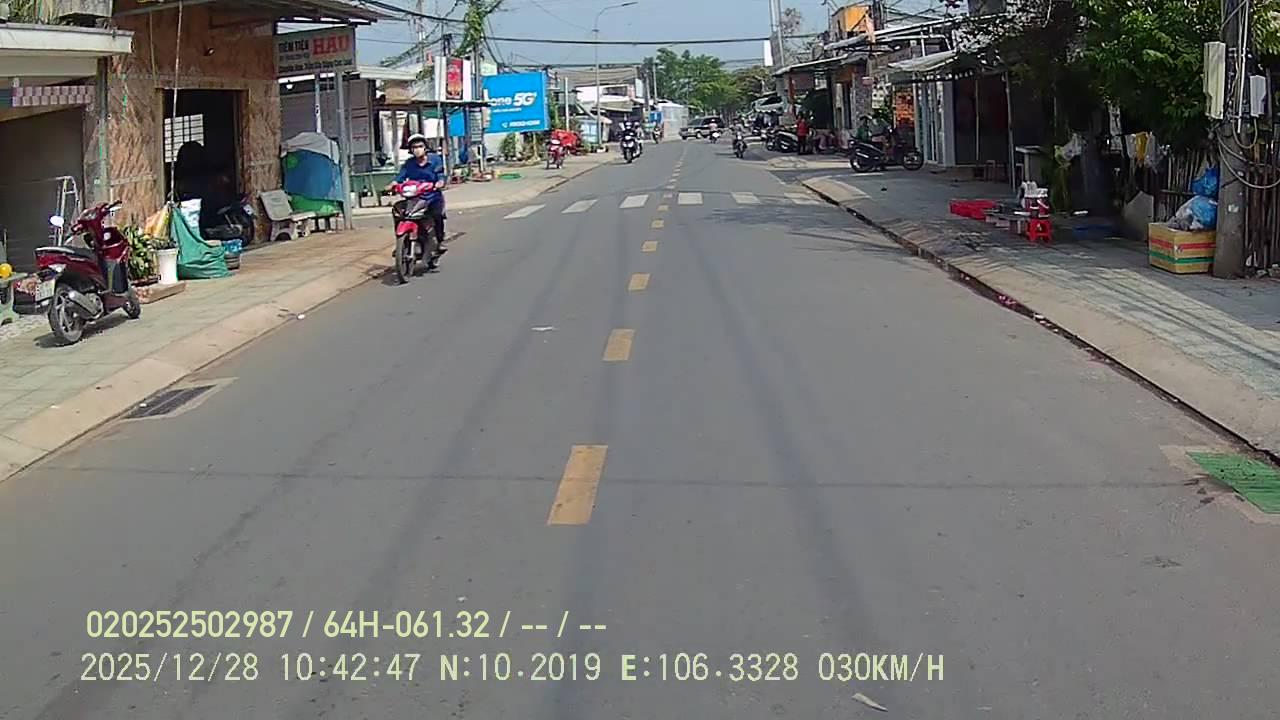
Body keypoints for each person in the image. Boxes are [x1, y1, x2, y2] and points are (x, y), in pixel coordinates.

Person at [388, 134, 447, 268]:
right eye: (414, 147)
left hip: (432, 197)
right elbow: (400, 177)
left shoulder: (435, 160)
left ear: (425, 148)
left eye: (420, 146)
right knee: (397, 211)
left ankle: (440, 241)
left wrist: (439, 182)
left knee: (436, 215)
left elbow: (441, 175)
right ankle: (401, 242)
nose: (417, 149)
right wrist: (393, 184)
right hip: (413, 198)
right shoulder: (409, 164)